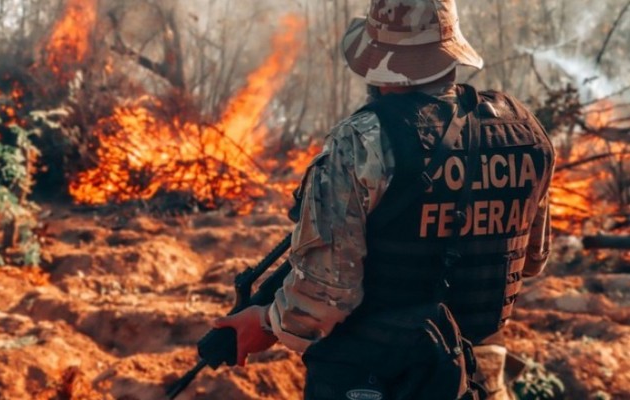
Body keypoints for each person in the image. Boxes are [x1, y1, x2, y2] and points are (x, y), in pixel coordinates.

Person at [214, 1, 555, 399]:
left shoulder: (361, 141)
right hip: (477, 376)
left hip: (380, 378)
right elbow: (531, 261)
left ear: (379, 62)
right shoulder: (525, 131)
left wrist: (266, 322)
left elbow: (325, 296)